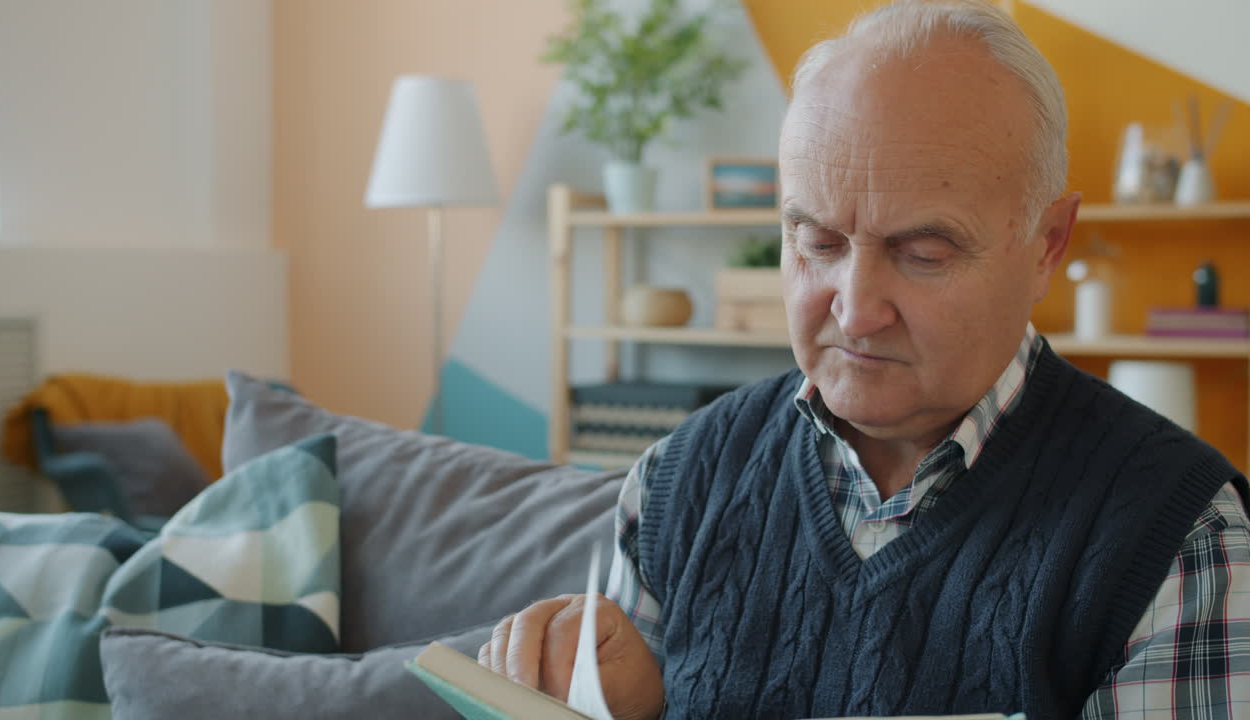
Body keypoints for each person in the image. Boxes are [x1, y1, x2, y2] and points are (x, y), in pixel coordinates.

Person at [480, 1, 1250, 718]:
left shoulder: (1186, 538)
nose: (853, 308)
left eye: (922, 253)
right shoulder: (675, 482)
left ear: (1048, 243)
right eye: (816, 243)